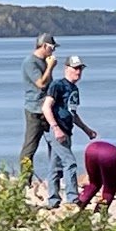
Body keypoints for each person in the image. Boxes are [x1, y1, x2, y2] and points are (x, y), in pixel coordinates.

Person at [42, 55, 97, 207]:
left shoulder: (74, 89)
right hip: (56, 130)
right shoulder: (57, 85)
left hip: (66, 130)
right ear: (67, 69)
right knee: (70, 162)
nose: (78, 72)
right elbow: (46, 107)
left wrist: (86, 129)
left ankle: (53, 200)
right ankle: (72, 197)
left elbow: (72, 113)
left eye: (80, 68)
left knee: (55, 166)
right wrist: (55, 128)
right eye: (75, 68)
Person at [18, 33, 59, 187]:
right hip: (34, 110)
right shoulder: (30, 63)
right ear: (44, 46)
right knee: (30, 147)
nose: (53, 52)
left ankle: (54, 181)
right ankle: (25, 182)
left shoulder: (43, 61)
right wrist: (50, 67)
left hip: (48, 110)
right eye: (52, 48)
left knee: (55, 146)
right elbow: (41, 83)